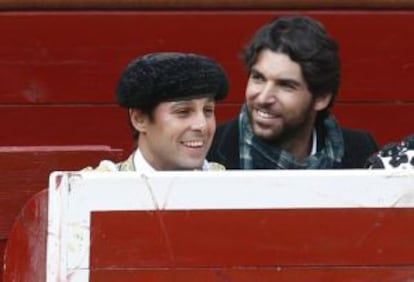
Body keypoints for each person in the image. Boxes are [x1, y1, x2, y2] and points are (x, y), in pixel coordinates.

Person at [207, 16, 378, 169]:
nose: (264, 98)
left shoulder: (361, 151)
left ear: (322, 98)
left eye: (285, 85)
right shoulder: (209, 150)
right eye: (258, 78)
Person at [91, 52, 229, 172]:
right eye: (183, 111)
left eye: (208, 110)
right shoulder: (93, 193)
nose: (202, 125)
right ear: (139, 119)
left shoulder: (232, 190)